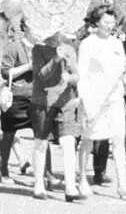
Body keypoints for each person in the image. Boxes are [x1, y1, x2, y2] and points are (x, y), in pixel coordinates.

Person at [77, 6, 126, 201]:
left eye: (112, 22)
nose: (110, 25)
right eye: (106, 21)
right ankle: (82, 179)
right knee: (87, 140)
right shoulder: (88, 44)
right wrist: (84, 100)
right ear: (97, 22)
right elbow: (82, 73)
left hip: (114, 97)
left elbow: (120, 71)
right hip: (94, 97)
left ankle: (123, 184)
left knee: (118, 139)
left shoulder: (117, 43)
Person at [30, 32, 82, 201]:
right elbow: (41, 75)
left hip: (65, 101)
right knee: (41, 143)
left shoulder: (69, 49)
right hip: (42, 101)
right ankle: (39, 185)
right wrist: (56, 59)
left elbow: (76, 75)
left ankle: (70, 187)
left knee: (68, 142)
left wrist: (71, 78)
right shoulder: (38, 49)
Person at [0, 19, 34, 184]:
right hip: (17, 97)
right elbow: (5, 72)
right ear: (25, 27)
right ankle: (4, 169)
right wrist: (28, 67)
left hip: (37, 97)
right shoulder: (13, 46)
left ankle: (46, 174)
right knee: (9, 134)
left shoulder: (42, 47)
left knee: (43, 136)